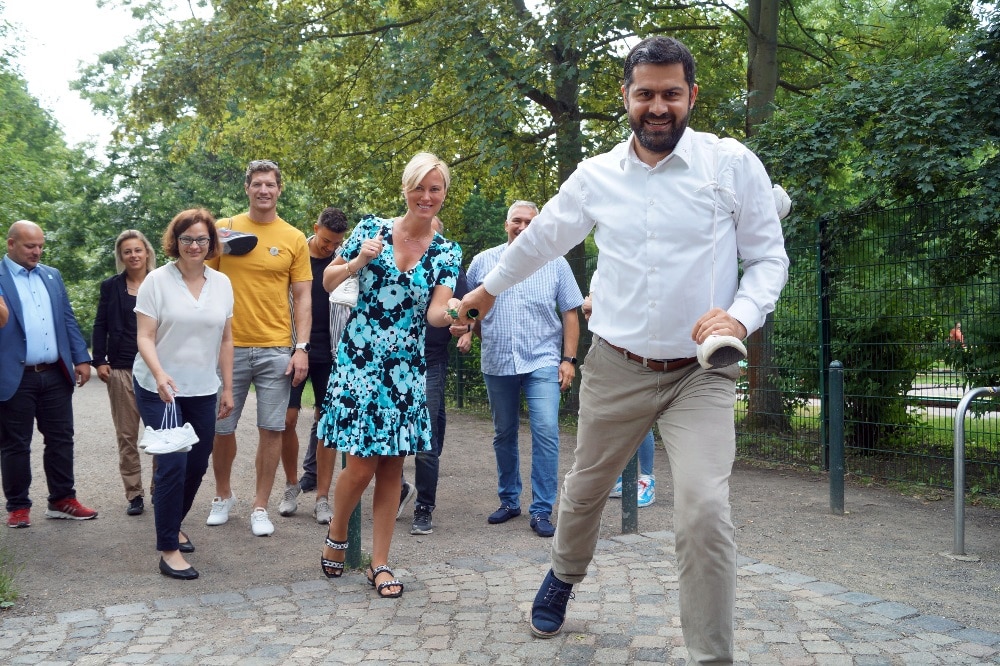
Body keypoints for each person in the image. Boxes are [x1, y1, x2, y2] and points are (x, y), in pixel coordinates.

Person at [455, 36, 789, 664]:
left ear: (691, 95)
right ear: (626, 99)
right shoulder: (597, 176)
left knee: (706, 512)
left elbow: (769, 259)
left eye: (670, 93)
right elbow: (540, 241)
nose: (657, 106)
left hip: (703, 372)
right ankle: (563, 574)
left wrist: (741, 317)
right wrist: (485, 293)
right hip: (616, 363)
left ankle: (711, 656)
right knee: (583, 491)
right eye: (645, 94)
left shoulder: (731, 165)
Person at [318, 152, 462, 598]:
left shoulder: (446, 251)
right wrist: (358, 260)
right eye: (419, 187)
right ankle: (338, 532)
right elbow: (328, 281)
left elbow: (438, 313)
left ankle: (379, 563)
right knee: (360, 468)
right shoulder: (371, 230)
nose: (426, 196)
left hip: (405, 371)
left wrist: (460, 314)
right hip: (359, 361)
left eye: (434, 188)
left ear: (443, 195)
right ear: (406, 189)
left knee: (392, 471)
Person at [462, 200, 583, 538]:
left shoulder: (555, 263)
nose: (523, 227)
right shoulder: (483, 262)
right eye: (517, 221)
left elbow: (571, 312)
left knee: (545, 431)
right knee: (504, 432)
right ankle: (509, 500)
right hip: (498, 360)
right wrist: (469, 331)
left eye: (531, 221)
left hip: (542, 361)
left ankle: (542, 510)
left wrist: (568, 360)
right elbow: (469, 307)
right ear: (506, 224)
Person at [205, 159, 312, 537]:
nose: (263, 190)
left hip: (276, 348)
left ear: (279, 189)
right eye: (257, 184)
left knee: (272, 428)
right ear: (247, 188)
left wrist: (302, 347)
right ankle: (222, 496)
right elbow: (204, 281)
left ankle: (260, 505)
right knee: (221, 426)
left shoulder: (293, 237)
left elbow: (302, 296)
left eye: (270, 184)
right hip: (228, 346)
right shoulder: (224, 230)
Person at [133, 209, 234, 580]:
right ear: (175, 241)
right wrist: (160, 374)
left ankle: (172, 518)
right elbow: (144, 336)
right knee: (173, 462)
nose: (194, 245)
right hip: (158, 389)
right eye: (187, 238)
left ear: (211, 244)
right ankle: (169, 549)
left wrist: (228, 387)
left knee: (196, 464)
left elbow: (225, 338)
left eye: (202, 239)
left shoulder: (222, 284)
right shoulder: (156, 282)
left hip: (203, 389)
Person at [0, 221, 99, 528]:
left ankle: (61, 500)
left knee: (61, 439)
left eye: (41, 245)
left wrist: (82, 357)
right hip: (15, 374)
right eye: (30, 246)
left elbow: (66, 319)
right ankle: (18, 506)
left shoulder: (51, 275)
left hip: (54, 373)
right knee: (16, 444)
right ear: (11, 244)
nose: (37, 251)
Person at [280, 207, 348, 524]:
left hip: (332, 350)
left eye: (336, 243)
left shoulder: (344, 257)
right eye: (325, 242)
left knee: (327, 423)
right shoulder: (296, 254)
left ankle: (322, 498)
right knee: (287, 420)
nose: (330, 248)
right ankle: (291, 485)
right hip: (294, 347)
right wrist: (296, 345)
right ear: (314, 228)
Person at [404, 216, 470, 535]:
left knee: (427, 436)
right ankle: (403, 487)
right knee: (400, 431)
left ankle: (424, 506)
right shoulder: (397, 256)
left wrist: (464, 324)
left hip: (431, 358)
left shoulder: (450, 263)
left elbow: (464, 306)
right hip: (396, 359)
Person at [92, 230, 158, 516]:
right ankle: (134, 494)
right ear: (121, 257)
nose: (133, 255)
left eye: (138, 250)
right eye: (127, 251)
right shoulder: (111, 286)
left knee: (160, 434)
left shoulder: (161, 283)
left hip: (157, 369)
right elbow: (100, 324)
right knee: (127, 436)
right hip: (121, 368)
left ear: (147, 253)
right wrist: (99, 360)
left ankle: (160, 490)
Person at [583, 273, 658, 507]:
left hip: (642, 353)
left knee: (639, 416)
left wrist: (598, 306)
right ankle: (621, 479)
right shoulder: (600, 272)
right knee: (613, 417)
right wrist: (596, 307)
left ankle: (646, 479)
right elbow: (590, 312)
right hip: (609, 351)